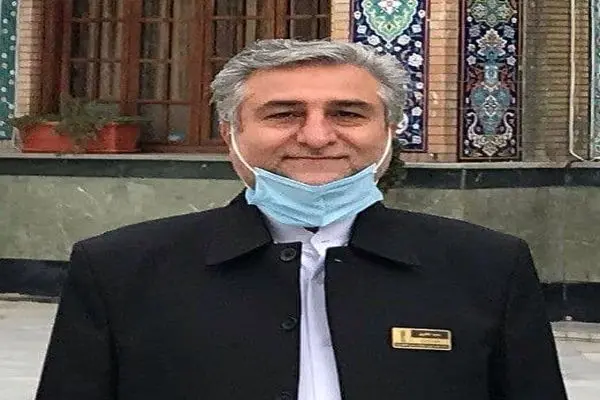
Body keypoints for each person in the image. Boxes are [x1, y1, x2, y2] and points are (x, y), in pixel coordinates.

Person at [35, 39, 567, 400]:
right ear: (230, 134)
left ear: (388, 133)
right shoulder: (120, 271)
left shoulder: (487, 267)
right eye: (283, 114)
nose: (316, 137)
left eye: (347, 114)